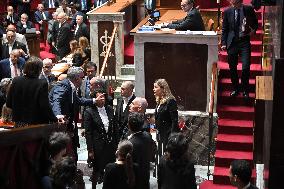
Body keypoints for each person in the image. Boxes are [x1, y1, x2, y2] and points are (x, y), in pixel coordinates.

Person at [49, 67, 104, 160]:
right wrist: (58, 114)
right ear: (76, 78)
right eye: (82, 78)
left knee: (72, 150)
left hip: (69, 124)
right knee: (64, 152)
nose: (83, 80)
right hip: (61, 126)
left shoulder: (71, 86)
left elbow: (78, 100)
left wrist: (94, 100)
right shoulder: (63, 86)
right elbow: (56, 100)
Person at [221, 0, 258, 98]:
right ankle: (236, 89)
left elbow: (255, 23)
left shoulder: (249, 9)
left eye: (236, 3)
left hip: (244, 41)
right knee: (232, 67)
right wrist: (224, 43)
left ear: (241, 2)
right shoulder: (228, 11)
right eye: (232, 4)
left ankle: (245, 89)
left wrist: (253, 31)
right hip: (232, 42)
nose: (234, 6)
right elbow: (225, 28)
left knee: (246, 66)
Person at [6, 56, 57, 126]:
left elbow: (8, 103)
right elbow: (44, 106)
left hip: (19, 124)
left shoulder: (16, 80)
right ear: (39, 69)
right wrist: (54, 119)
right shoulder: (41, 83)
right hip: (36, 125)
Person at [84, 90, 117, 187]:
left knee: (111, 168)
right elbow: (88, 132)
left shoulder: (110, 109)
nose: (102, 99)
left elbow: (115, 127)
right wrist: (90, 150)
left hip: (110, 145)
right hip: (97, 146)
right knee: (97, 170)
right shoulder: (89, 111)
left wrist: (117, 143)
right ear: (95, 99)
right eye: (100, 97)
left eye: (103, 97)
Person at [153, 79, 179, 156]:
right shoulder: (159, 101)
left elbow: (174, 120)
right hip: (160, 133)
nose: (153, 89)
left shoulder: (171, 101)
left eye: (155, 87)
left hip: (167, 135)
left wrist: (171, 137)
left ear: (163, 88)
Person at [128, 112, 153, 189]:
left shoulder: (129, 143)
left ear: (129, 125)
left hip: (134, 177)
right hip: (145, 173)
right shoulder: (148, 136)